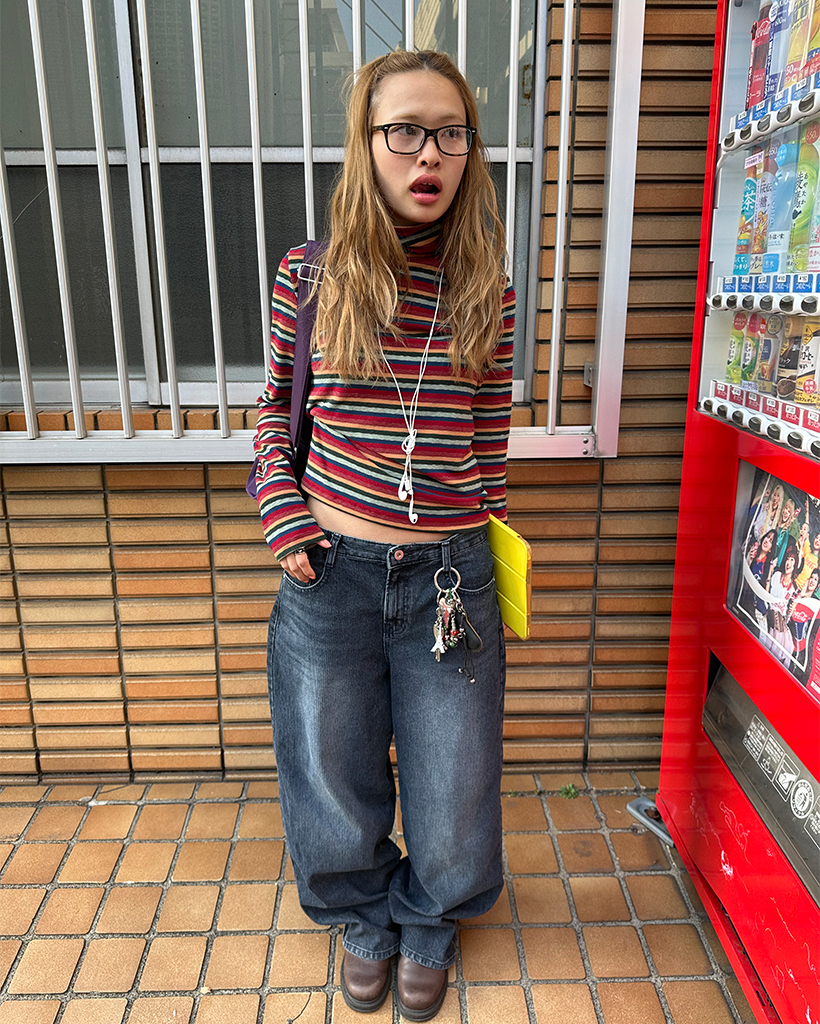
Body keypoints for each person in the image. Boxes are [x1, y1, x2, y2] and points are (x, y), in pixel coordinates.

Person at [252, 50, 515, 1021]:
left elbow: (488, 437)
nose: (427, 153)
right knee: (332, 766)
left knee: (455, 776)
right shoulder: (309, 276)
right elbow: (272, 414)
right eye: (403, 130)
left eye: (449, 132)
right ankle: (363, 912)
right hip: (331, 572)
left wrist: (491, 554)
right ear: (365, 144)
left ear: (470, 150)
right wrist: (284, 517)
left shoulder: (487, 285)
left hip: (452, 575)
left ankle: (431, 914)